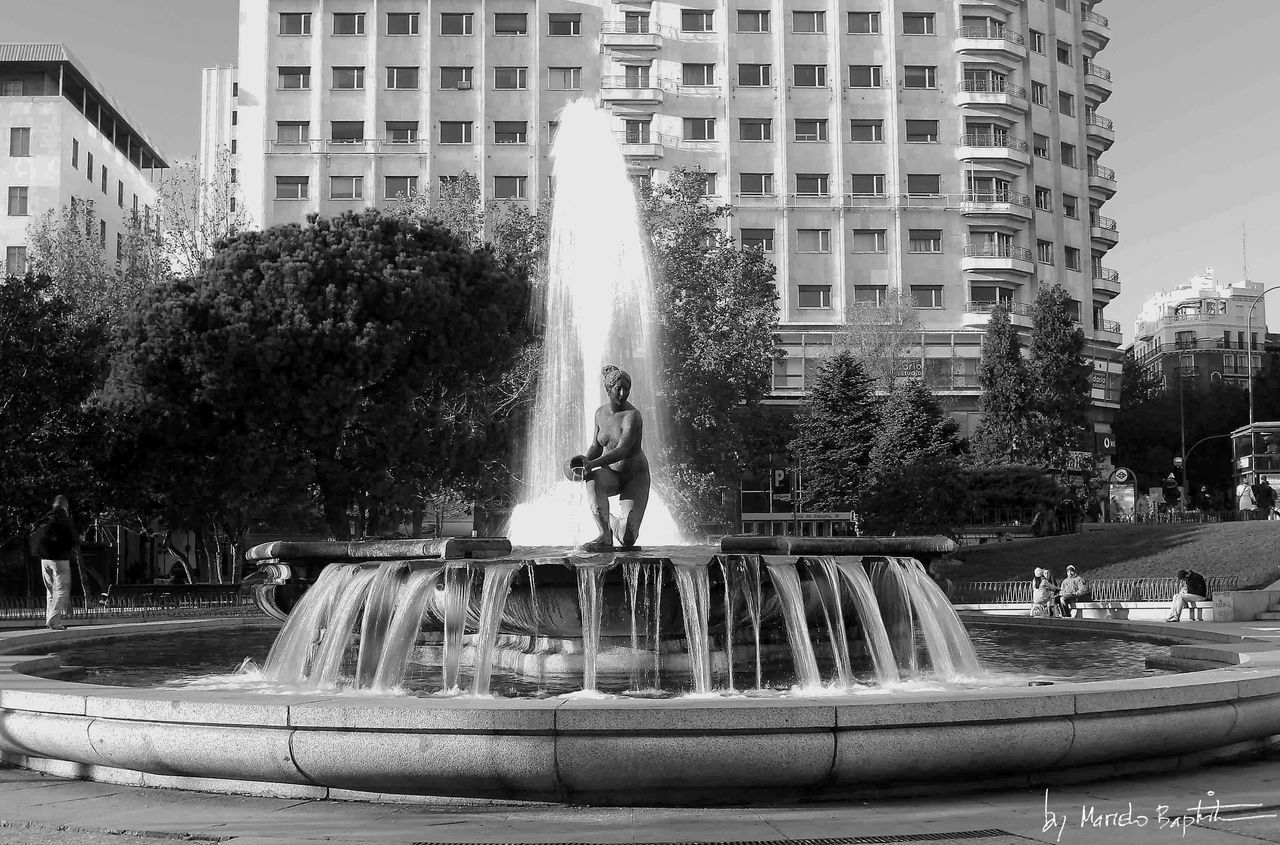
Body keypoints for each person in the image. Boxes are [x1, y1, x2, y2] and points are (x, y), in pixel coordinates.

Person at [576, 365, 650, 551]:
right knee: (592, 479)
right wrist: (584, 461)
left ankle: (611, 521)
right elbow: (596, 445)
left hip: (635, 478)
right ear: (608, 390)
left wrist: (593, 463)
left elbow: (623, 450)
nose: (623, 393)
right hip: (613, 476)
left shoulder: (632, 416)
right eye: (618, 388)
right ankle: (604, 535)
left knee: (628, 539)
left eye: (627, 389)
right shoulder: (600, 414)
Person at [29, 495, 78, 630]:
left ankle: (49, 619)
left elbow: (35, 536)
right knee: (62, 591)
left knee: (50, 591)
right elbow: (74, 539)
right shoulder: (65, 520)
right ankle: (53, 621)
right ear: (65, 506)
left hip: (44, 560)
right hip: (60, 560)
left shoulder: (45, 518)